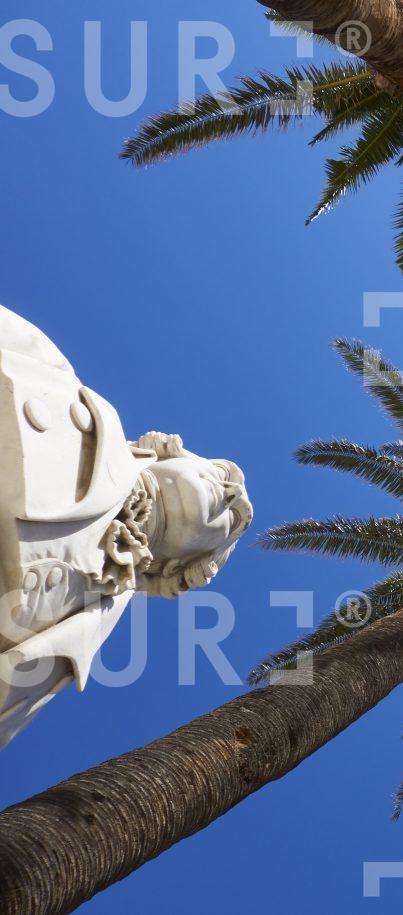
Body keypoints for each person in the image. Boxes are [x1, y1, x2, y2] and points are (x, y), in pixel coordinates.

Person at [0, 304, 251, 748]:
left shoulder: (70, 650)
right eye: (224, 476)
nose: (231, 495)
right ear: (174, 451)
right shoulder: (54, 378)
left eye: (231, 520)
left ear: (179, 569)